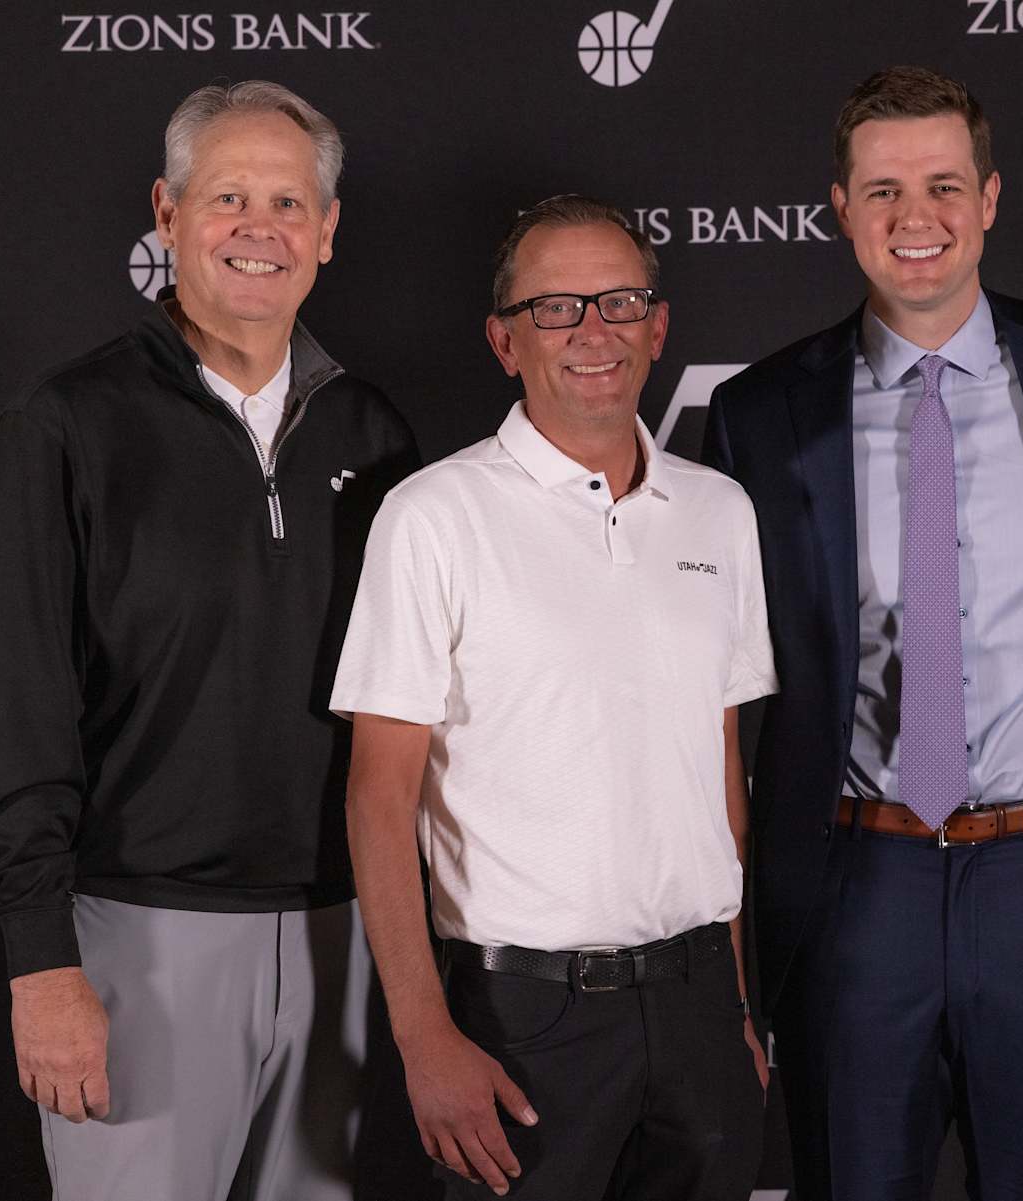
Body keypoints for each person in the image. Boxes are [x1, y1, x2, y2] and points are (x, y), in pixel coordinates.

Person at [0, 80, 420, 1199]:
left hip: (339, 940)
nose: (260, 228)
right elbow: (12, 709)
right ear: (166, 213)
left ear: (329, 230)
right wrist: (42, 963)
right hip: (135, 945)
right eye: (228, 198)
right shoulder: (64, 426)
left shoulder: (376, 432)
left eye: (289, 202)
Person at [703, 67, 1023, 1201]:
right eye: (886, 190)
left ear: (994, 198)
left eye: (946, 185)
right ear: (840, 207)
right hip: (858, 883)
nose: (918, 218)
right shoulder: (762, 414)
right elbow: (711, 685)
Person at [331, 195, 774, 1200]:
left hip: (701, 1003)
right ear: (504, 340)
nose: (594, 332)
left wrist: (737, 1005)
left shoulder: (720, 511)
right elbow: (377, 797)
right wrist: (422, 1036)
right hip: (525, 1019)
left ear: (658, 327)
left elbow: (721, 775)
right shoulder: (433, 517)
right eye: (557, 308)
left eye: (620, 302)